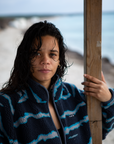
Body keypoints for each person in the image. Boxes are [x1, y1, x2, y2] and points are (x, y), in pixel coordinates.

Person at [0, 21, 114, 144]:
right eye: (36, 53)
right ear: (26, 57)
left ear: (59, 60)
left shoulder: (74, 95)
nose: (45, 61)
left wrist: (108, 98)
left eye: (52, 54)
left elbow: (101, 129)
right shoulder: (6, 104)